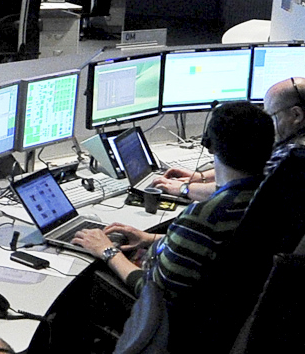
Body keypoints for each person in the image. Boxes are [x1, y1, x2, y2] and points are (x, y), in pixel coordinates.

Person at [72, 100, 274, 309]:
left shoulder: (204, 218)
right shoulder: (273, 197)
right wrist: (148, 238)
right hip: (236, 307)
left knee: (84, 282)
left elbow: (154, 292)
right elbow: (211, 249)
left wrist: (107, 251)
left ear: (209, 145)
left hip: (178, 317)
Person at [137, 78, 305, 205]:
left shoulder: (296, 156)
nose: (268, 122)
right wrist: (200, 176)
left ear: (296, 115)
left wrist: (183, 189)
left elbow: (237, 191)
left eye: (271, 115)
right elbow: (251, 165)